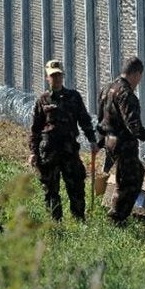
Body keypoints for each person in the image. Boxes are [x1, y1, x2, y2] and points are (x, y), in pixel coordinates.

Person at [95, 56, 145, 225]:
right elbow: (134, 127)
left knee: (126, 178)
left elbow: (101, 121)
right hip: (123, 145)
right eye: (139, 77)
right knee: (131, 180)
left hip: (110, 142)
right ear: (135, 74)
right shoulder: (126, 95)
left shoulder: (107, 89)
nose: (138, 82)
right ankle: (117, 218)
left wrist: (99, 143)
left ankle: (116, 213)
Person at [29, 60, 96, 221]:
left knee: (76, 186)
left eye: (59, 75)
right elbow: (36, 128)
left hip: (69, 150)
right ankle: (55, 224)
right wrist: (32, 152)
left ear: (63, 76)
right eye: (53, 76)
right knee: (51, 190)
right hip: (49, 153)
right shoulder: (43, 100)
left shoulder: (73, 97)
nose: (57, 78)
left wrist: (92, 140)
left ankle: (79, 219)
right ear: (47, 78)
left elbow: (84, 119)